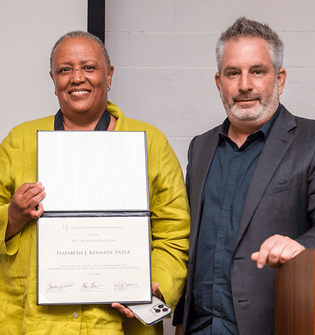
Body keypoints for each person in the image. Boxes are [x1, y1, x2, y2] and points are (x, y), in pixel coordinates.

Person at [0, 31, 190, 335]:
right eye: (65, 69)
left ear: (109, 75)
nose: (77, 78)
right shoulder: (18, 142)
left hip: (121, 324)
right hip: (33, 324)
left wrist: (156, 286)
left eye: (88, 67)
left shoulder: (151, 144)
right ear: (53, 79)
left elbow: (174, 233)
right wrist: (12, 216)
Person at [173, 17, 315, 335]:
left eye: (257, 71)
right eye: (233, 73)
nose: (245, 85)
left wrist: (299, 245)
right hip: (197, 325)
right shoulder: (200, 147)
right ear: (219, 82)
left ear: (280, 79)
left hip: (268, 325)